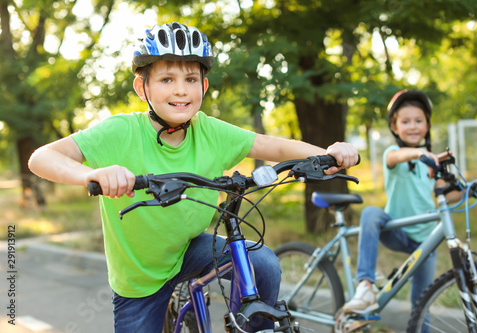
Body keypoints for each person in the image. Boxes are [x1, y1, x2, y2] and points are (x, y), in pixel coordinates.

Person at [28, 22, 359, 333]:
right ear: (142, 88)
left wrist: (328, 154)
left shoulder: (209, 129)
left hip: (190, 246)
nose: (180, 91)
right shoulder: (121, 131)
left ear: (203, 85)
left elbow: (270, 145)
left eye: (190, 79)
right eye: (167, 80)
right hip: (140, 277)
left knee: (265, 264)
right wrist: (94, 173)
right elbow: (41, 158)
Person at [342, 90, 449, 317]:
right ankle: (365, 286)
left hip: (425, 241)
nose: (412, 126)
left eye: (418, 121)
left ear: (427, 126)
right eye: (405, 121)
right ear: (395, 126)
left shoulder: (430, 162)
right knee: (371, 213)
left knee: (422, 305)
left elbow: (446, 193)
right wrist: (419, 153)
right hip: (397, 231)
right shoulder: (395, 153)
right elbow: (394, 158)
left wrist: (469, 188)